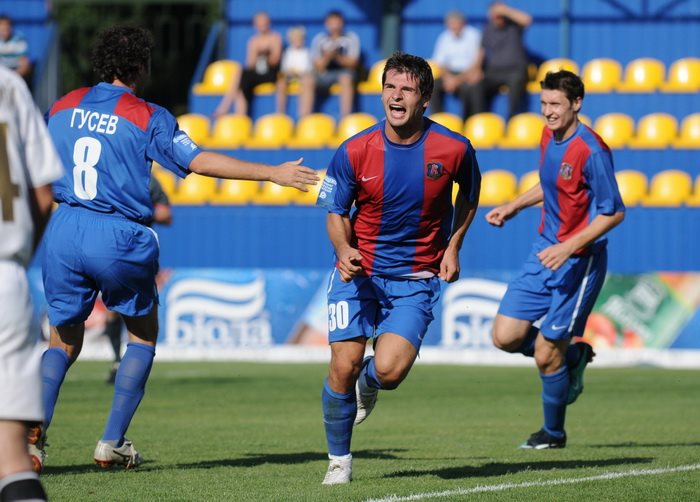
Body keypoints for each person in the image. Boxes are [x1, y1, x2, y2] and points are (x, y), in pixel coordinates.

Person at [33, 26, 318, 471]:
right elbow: (198, 161)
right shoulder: (148, 115)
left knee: (62, 340)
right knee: (142, 335)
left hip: (65, 227)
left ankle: (32, 437)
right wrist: (271, 173)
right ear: (140, 66)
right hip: (118, 233)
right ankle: (111, 442)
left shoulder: (63, 104)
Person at [316, 51, 481, 484]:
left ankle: (369, 384)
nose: (396, 96)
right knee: (343, 364)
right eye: (390, 87)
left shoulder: (454, 148)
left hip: (416, 278)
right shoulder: (355, 149)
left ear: (425, 99)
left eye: (407, 89)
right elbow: (335, 211)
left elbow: (470, 196)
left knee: (388, 371)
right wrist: (343, 248)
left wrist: (454, 246)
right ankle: (339, 462)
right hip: (359, 273)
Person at [485, 70, 625, 449]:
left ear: (576, 104)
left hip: (578, 261)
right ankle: (573, 356)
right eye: (544, 103)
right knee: (504, 336)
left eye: (555, 104)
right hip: (544, 250)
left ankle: (553, 433)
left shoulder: (592, 151)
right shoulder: (548, 135)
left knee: (546, 354)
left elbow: (614, 212)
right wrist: (514, 205)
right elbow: (551, 185)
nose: (547, 111)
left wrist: (568, 247)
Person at [0, 65, 62, 501]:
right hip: (6, 276)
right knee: (12, 458)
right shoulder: (8, 83)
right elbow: (44, 195)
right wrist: (16, 257)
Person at [104, 175, 172, 385]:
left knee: (143, 312)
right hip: (111, 248)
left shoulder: (149, 181)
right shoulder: (107, 175)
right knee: (112, 311)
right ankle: (118, 361)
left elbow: (166, 215)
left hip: (140, 251)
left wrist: (139, 209)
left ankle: (134, 367)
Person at [213, 11, 282, 118]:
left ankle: (224, 108)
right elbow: (250, 64)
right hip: (256, 72)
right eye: (259, 23)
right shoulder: (253, 41)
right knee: (240, 79)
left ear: (268, 23)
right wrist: (257, 53)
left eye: (264, 22)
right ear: (255, 25)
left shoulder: (275, 38)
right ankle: (235, 114)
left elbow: (275, 60)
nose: (262, 25)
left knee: (280, 80)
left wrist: (265, 53)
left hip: (270, 72)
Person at [471, 1, 532, 118]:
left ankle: (512, 120)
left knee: (516, 85)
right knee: (477, 86)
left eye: (500, 14)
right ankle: (480, 119)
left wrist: (505, 10)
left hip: (515, 70)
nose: (498, 17)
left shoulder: (514, 25)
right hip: (493, 72)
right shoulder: (487, 28)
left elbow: (527, 20)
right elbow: (481, 51)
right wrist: (477, 70)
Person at [429, 10, 482, 118]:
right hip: (450, 74)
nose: (454, 26)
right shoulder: (444, 37)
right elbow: (440, 63)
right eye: (452, 23)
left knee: (471, 88)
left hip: (468, 74)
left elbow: (476, 64)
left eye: (457, 23)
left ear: (463, 23)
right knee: (433, 86)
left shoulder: (474, 35)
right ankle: (437, 119)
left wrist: (457, 81)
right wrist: (448, 79)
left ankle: (467, 121)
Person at [310, 10, 361, 118]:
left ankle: (345, 118)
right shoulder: (319, 39)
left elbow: (354, 63)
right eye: (332, 23)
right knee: (307, 79)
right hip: (324, 74)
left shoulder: (351, 38)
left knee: (345, 78)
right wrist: (327, 57)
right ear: (326, 24)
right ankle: (304, 120)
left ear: (342, 23)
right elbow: (317, 66)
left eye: (337, 23)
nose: (335, 26)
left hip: (345, 73)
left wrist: (338, 57)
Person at [276, 26, 314, 118]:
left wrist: (299, 73)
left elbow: (309, 69)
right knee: (281, 82)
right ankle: (280, 113)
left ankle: (304, 115)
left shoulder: (307, 52)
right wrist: (290, 72)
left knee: (307, 81)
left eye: (299, 38)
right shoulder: (288, 52)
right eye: (295, 38)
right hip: (290, 78)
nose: (297, 40)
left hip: (303, 78)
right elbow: (284, 69)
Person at [0, 15, 32, 81]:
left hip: (17, 73)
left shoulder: (19, 39)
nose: (4, 29)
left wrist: (12, 77)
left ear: (11, 27)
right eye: (2, 28)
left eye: (7, 27)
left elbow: (24, 64)